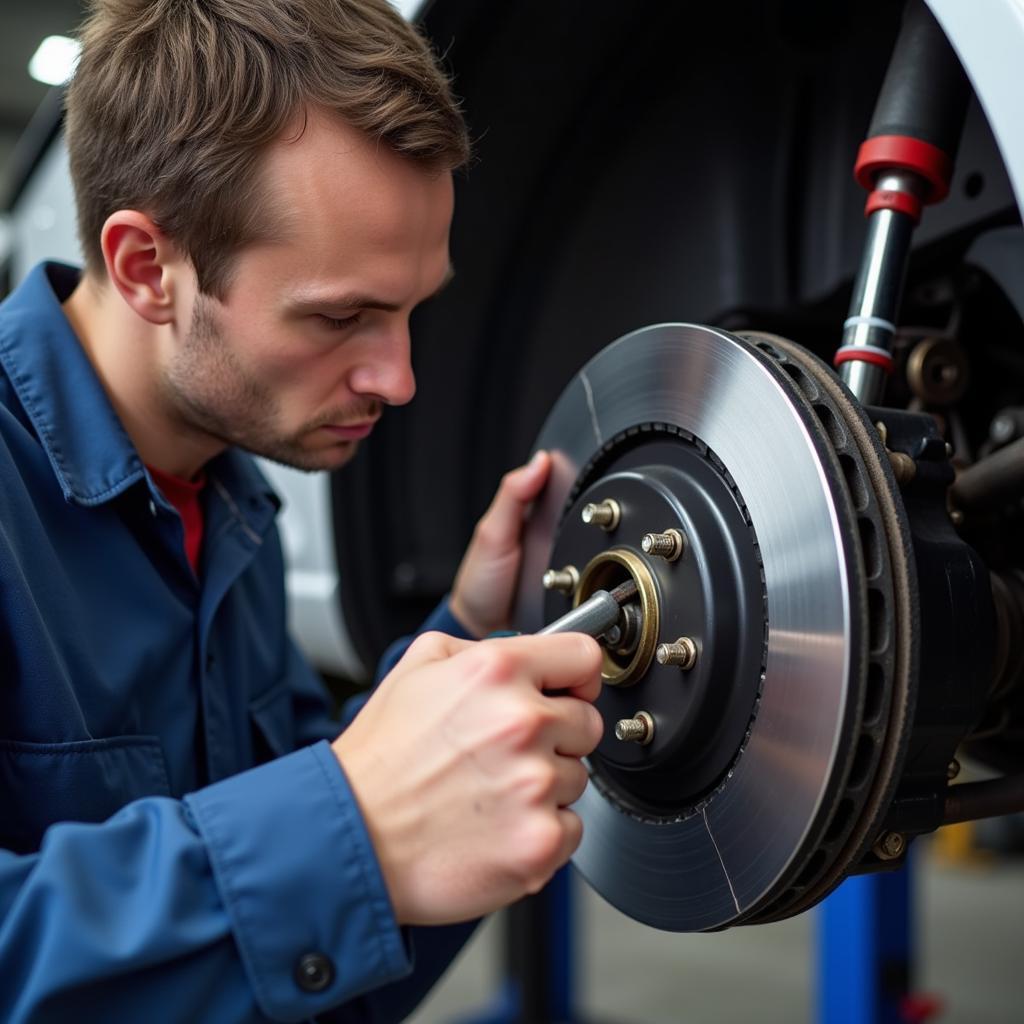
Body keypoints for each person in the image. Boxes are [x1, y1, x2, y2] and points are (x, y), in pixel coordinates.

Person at [0, 1, 604, 1020]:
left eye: (413, 309)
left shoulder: (230, 504)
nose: (399, 377)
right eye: (340, 316)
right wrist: (347, 832)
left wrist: (473, 636)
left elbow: (314, 967)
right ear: (150, 267)